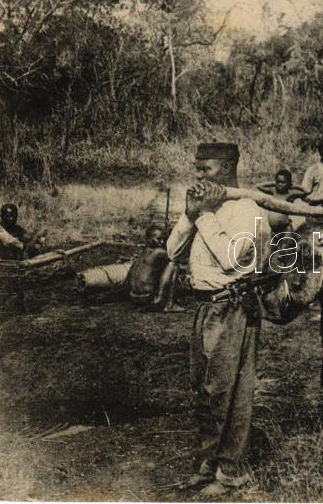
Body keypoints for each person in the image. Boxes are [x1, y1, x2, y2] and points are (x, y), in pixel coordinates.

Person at [166, 142, 272, 498]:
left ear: (225, 170)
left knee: (230, 392)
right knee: (204, 389)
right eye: (197, 168)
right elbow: (172, 251)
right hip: (205, 307)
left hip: (233, 308)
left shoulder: (248, 211)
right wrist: (189, 214)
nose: (198, 175)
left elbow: (230, 258)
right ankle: (207, 463)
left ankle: (231, 471)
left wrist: (206, 215)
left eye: (206, 169)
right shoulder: (206, 208)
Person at [127, 224, 183, 312]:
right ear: (149, 239)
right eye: (158, 239)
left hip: (133, 297)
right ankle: (169, 304)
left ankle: (157, 301)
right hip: (148, 298)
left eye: (164, 239)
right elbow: (177, 257)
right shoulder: (158, 252)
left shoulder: (144, 252)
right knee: (173, 265)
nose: (162, 242)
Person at [256, 168, 305, 233]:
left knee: (286, 242)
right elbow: (258, 186)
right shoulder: (274, 191)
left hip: (285, 228)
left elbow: (305, 191)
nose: (280, 184)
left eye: (283, 182)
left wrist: (294, 186)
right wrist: (273, 183)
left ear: (289, 183)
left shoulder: (289, 194)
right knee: (273, 243)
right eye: (278, 182)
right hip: (274, 230)